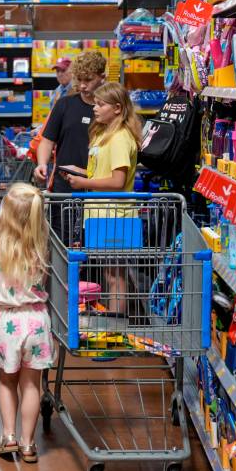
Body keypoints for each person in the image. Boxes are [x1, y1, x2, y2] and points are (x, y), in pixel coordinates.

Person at [0, 183, 54, 464]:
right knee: (30, 385)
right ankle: (28, 444)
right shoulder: (40, 245)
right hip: (37, 320)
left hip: (5, 322)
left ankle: (9, 437)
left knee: (6, 381)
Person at [63, 82, 142, 314]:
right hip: (101, 214)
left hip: (115, 214)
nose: (94, 108)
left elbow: (118, 181)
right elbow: (102, 172)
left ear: (117, 108)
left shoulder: (119, 137)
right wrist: (79, 172)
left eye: (100, 104)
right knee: (111, 272)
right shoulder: (105, 134)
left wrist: (84, 183)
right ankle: (113, 320)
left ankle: (116, 324)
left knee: (115, 274)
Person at [34, 50, 107, 194]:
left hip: (99, 189)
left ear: (102, 77)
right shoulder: (64, 105)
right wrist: (41, 164)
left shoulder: (110, 109)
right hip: (63, 188)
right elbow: (47, 141)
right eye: (79, 80)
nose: (82, 86)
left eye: (88, 80)